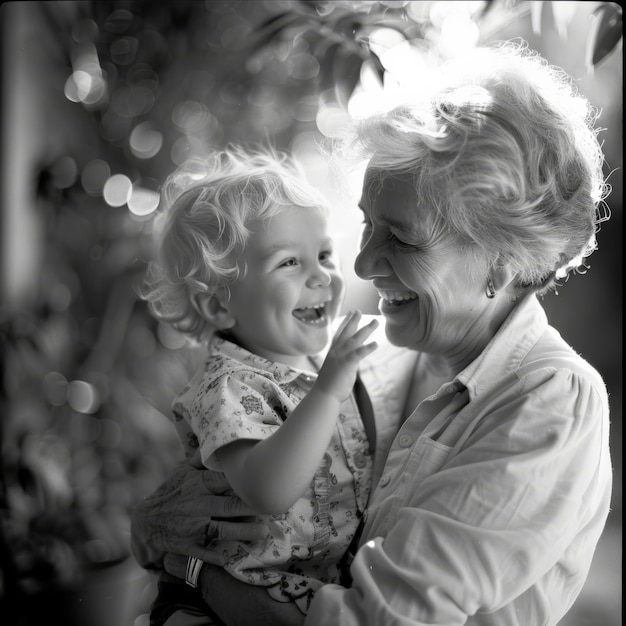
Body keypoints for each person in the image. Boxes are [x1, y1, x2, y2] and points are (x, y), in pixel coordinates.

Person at [131, 40, 613, 625]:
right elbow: (211, 495)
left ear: (500, 264)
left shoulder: (548, 402)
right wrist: (154, 523)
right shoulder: (369, 356)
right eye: (365, 222)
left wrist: (195, 572)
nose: (360, 266)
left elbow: (376, 620)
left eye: (403, 238)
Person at [137, 146, 381, 624]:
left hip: (304, 587)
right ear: (218, 308)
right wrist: (330, 389)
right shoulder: (226, 385)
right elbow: (268, 490)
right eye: (289, 262)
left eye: (324, 255)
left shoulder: (317, 363)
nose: (321, 276)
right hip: (212, 605)